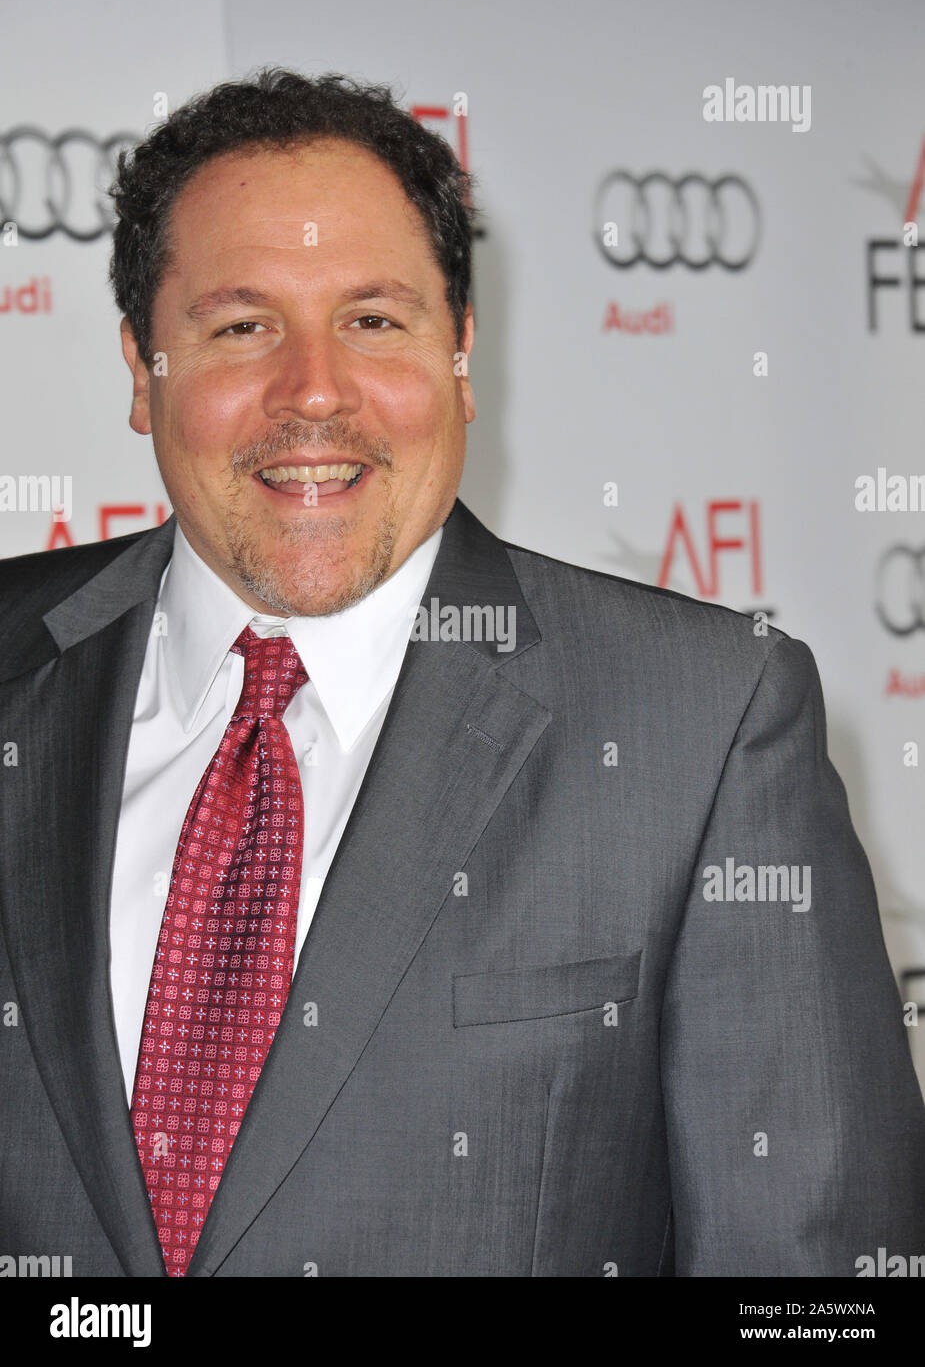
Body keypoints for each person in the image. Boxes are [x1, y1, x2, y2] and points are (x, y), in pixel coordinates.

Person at [0, 68, 922, 1279]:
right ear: (140, 366)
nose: (313, 391)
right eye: (241, 326)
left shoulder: (702, 725)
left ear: (462, 353)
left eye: (374, 320)